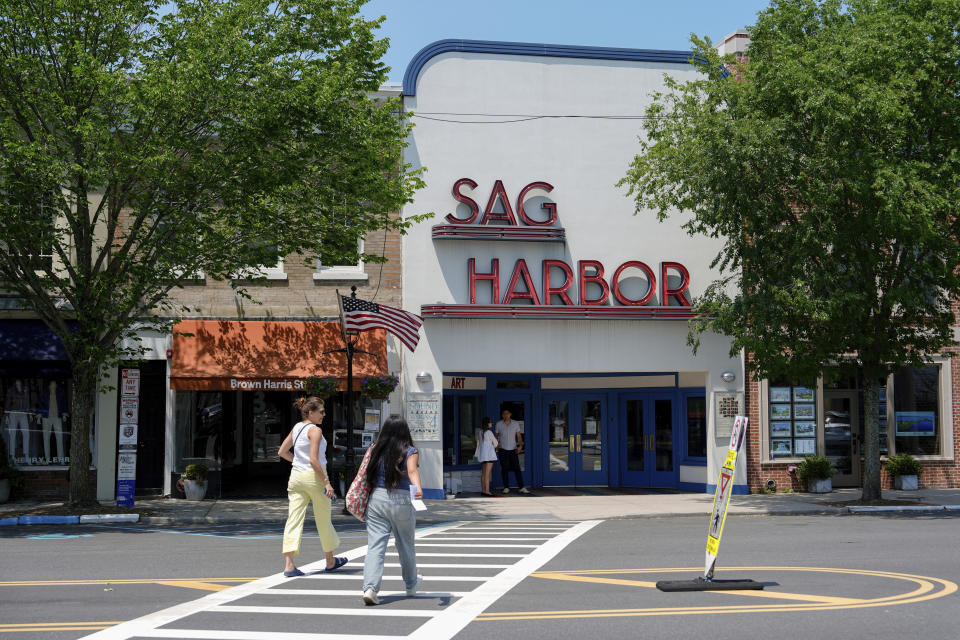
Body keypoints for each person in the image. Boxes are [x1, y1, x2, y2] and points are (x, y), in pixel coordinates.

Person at [277, 396, 347, 577]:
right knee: (323, 518)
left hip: (296, 476)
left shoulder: (297, 428)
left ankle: (289, 565)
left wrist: (298, 462)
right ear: (311, 412)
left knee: (293, 518)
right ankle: (330, 561)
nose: (324, 414)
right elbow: (314, 460)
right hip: (314, 477)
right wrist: (327, 483)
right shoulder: (315, 430)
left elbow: (282, 452)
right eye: (321, 411)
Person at [361, 416, 423, 605]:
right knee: (405, 545)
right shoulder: (409, 450)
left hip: (377, 499)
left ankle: (370, 588)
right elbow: (412, 471)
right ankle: (411, 585)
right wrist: (418, 488)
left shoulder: (375, 449)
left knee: (375, 546)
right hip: (402, 499)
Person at [495, 408, 529, 494]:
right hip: (503, 449)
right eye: (504, 414)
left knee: (517, 469)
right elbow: (496, 436)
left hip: (513, 449)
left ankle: (521, 487)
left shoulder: (515, 423)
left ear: (510, 414)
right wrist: (497, 443)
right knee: (504, 469)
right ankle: (506, 487)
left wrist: (520, 446)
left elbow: (519, 436)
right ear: (502, 415)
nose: (506, 415)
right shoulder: (498, 424)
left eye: (507, 413)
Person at [476, 417, 498, 496]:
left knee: (483, 474)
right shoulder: (489, 432)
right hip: (489, 455)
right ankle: (487, 491)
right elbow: (496, 444)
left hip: (483, 455)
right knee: (488, 474)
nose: (491, 423)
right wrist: (492, 443)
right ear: (487, 424)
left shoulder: (480, 432)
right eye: (490, 422)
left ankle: (483, 490)